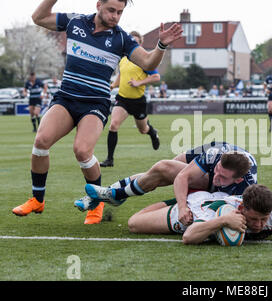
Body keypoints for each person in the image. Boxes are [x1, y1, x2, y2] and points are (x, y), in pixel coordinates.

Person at [12, 0, 182, 225]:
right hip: (67, 97)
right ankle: (37, 199)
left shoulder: (121, 38)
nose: (115, 16)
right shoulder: (75, 22)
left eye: (120, 12)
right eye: (111, 10)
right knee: (41, 141)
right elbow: (38, 18)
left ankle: (98, 202)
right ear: (98, 5)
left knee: (82, 151)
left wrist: (161, 45)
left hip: (95, 102)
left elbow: (149, 61)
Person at [75, 142, 257, 226]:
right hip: (209, 151)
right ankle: (114, 194)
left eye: (223, 177)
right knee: (160, 171)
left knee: (162, 168)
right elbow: (181, 178)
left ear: (238, 180)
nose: (217, 176)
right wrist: (182, 207)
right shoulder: (213, 156)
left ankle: (113, 193)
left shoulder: (247, 186)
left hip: (223, 176)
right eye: (217, 170)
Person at [125, 184, 272, 245]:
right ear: (242, 209)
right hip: (195, 209)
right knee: (134, 223)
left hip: (213, 199)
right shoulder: (218, 213)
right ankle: (173, 203)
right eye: (254, 219)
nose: (260, 224)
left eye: (264, 218)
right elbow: (188, 237)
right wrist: (222, 221)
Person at [100, 31, 161, 168]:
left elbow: (156, 77)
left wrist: (140, 83)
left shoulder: (145, 59)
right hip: (122, 99)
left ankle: (152, 132)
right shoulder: (123, 59)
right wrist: (112, 86)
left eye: (136, 41)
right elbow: (121, 75)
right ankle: (110, 159)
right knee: (113, 125)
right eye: (131, 40)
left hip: (138, 101)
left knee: (143, 129)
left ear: (140, 43)